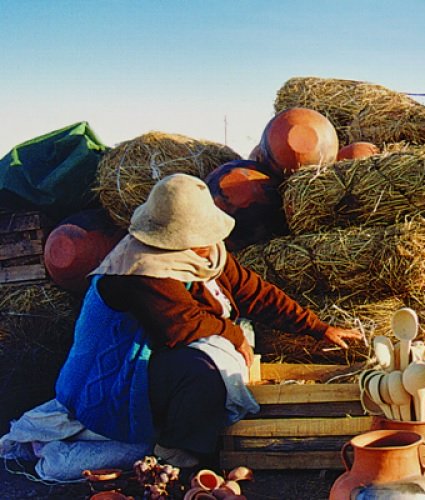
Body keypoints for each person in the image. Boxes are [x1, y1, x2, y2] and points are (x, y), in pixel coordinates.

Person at [53, 173, 363, 469]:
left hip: (158, 356)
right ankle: (176, 452)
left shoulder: (206, 255)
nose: (209, 243)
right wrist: (234, 336)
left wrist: (317, 327)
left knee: (218, 357)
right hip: (119, 375)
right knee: (204, 373)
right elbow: (180, 325)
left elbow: (254, 293)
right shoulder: (139, 268)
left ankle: (193, 431)